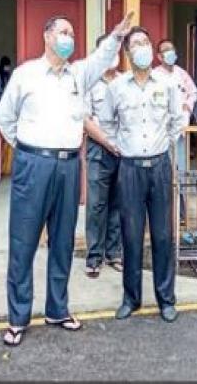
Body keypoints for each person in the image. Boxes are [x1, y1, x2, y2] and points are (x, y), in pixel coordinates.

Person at [0, 11, 133, 347]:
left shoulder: (78, 75)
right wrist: (29, 151)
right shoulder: (26, 74)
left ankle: (57, 309)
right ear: (47, 36)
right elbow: (4, 119)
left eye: (72, 33)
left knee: (63, 240)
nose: (68, 38)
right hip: (34, 165)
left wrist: (116, 36)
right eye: (63, 32)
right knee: (23, 241)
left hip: (69, 165)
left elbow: (101, 58)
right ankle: (18, 316)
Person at [101, 27, 185, 322]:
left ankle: (166, 300)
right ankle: (131, 298)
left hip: (159, 166)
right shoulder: (117, 87)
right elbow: (107, 123)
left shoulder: (167, 84)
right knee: (131, 235)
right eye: (136, 44)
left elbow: (177, 120)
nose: (143, 48)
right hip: (130, 169)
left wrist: (165, 142)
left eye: (146, 42)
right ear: (127, 52)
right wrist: (121, 146)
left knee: (162, 235)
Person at [83, 35, 122, 279]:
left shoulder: (125, 82)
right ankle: (94, 257)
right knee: (96, 205)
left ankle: (114, 253)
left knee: (119, 203)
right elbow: (86, 120)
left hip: (124, 151)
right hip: (99, 149)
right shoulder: (90, 83)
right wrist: (108, 142)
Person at [154, 39, 197, 223]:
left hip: (180, 133)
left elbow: (193, 92)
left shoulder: (181, 73)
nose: (170, 53)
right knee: (164, 172)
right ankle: (164, 213)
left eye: (172, 49)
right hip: (162, 134)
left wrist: (188, 106)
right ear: (159, 56)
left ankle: (181, 213)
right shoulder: (155, 75)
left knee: (180, 171)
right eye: (166, 50)